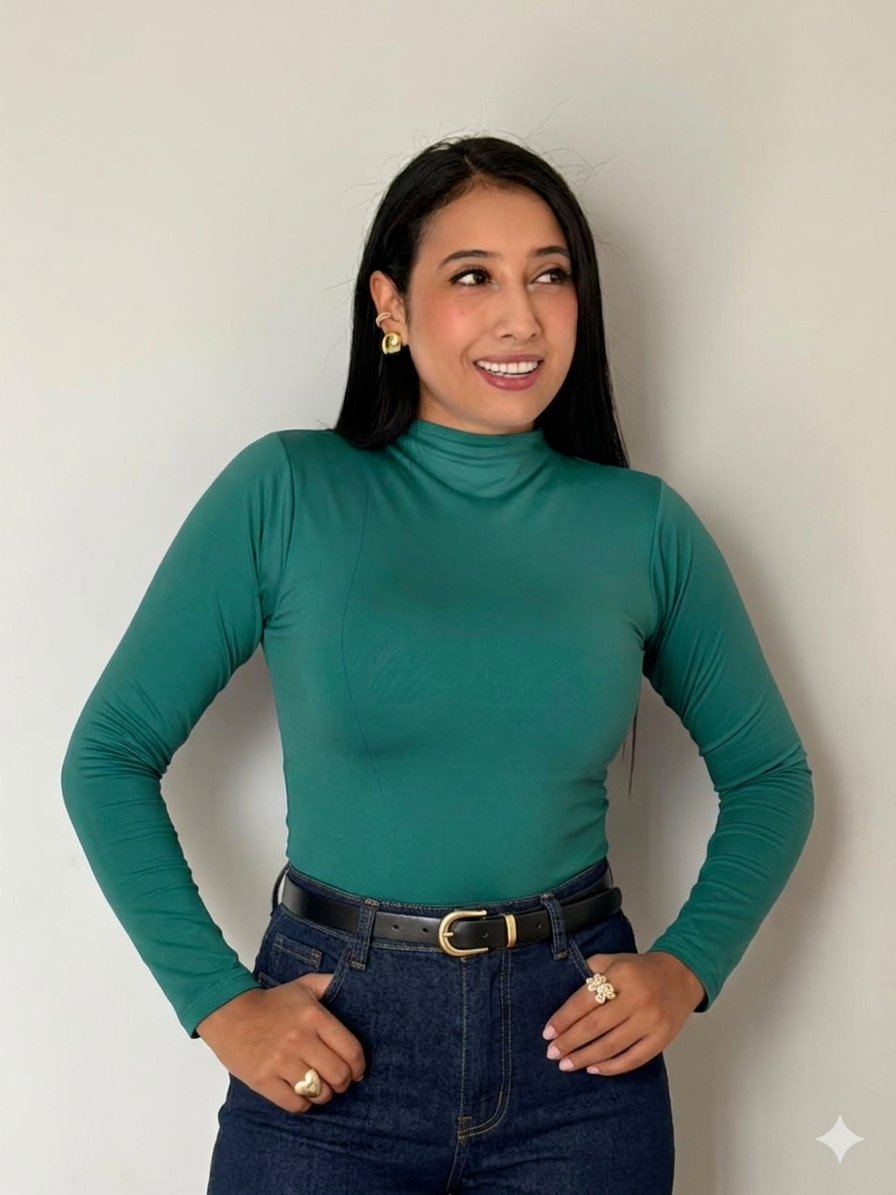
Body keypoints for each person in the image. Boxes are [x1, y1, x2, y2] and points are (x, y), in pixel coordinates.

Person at [61, 135, 814, 1194]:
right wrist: (218, 1004)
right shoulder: (286, 491)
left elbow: (772, 777)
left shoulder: (643, 527)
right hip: (330, 1049)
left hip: (575, 1053)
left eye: (549, 275)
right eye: (472, 277)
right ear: (391, 304)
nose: (521, 317)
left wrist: (686, 968)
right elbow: (107, 754)